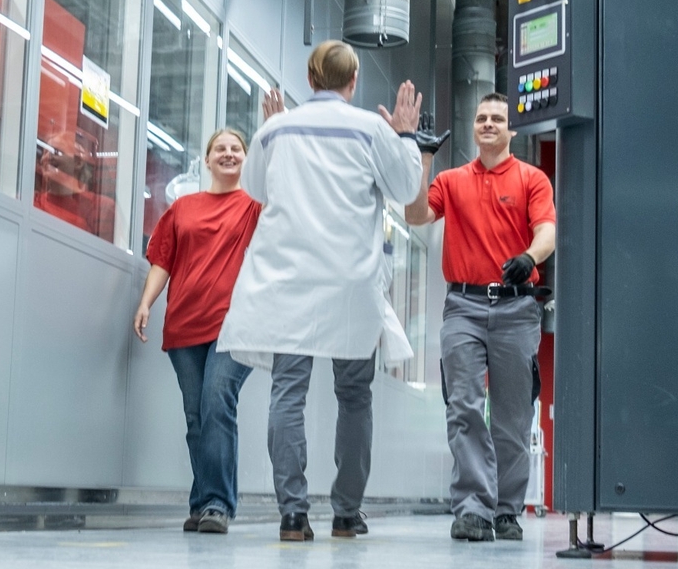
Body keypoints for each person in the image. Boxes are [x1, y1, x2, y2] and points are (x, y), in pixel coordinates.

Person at [216, 40, 429, 542]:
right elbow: (404, 192)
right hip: (350, 284)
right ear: (352, 83)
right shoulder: (372, 129)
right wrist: (403, 136)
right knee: (354, 395)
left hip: (289, 282)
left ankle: (292, 513)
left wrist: (280, 128)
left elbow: (256, 190)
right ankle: (346, 512)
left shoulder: (276, 129)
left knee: (287, 393)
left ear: (310, 80)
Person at [404, 92, 556, 542]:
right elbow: (416, 216)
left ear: (512, 130)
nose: (488, 124)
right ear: (474, 127)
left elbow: (547, 230)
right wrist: (423, 159)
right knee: (465, 408)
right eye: (481, 118)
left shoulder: (532, 179)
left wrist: (528, 258)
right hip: (463, 308)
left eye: (497, 119)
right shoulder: (451, 180)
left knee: (510, 418)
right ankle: (472, 508)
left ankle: (507, 510)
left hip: (515, 307)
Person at [132, 127, 267, 534]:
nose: (228, 154)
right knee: (196, 418)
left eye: (236, 149)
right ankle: (203, 499)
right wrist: (145, 302)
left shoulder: (255, 207)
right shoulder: (183, 208)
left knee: (216, 404)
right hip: (184, 324)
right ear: (206, 161)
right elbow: (163, 261)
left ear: (246, 159)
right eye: (220, 149)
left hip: (235, 326)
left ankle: (217, 504)